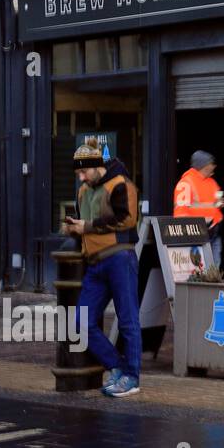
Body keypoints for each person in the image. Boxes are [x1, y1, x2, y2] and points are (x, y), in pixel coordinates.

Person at [65, 142, 142, 398]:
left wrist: (86, 226)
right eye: (78, 173)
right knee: (80, 322)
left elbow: (127, 219)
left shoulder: (121, 183)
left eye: (84, 171)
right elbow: (85, 224)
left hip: (120, 257)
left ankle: (131, 376)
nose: (81, 177)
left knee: (128, 318)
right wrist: (74, 228)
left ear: (97, 166)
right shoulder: (83, 191)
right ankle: (118, 367)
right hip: (95, 262)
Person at [174, 150, 224, 268]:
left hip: (214, 231)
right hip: (196, 236)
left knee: (214, 269)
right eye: (211, 164)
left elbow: (216, 202)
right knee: (198, 270)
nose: (214, 167)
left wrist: (219, 203)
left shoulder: (212, 182)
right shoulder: (186, 183)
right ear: (204, 166)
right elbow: (181, 213)